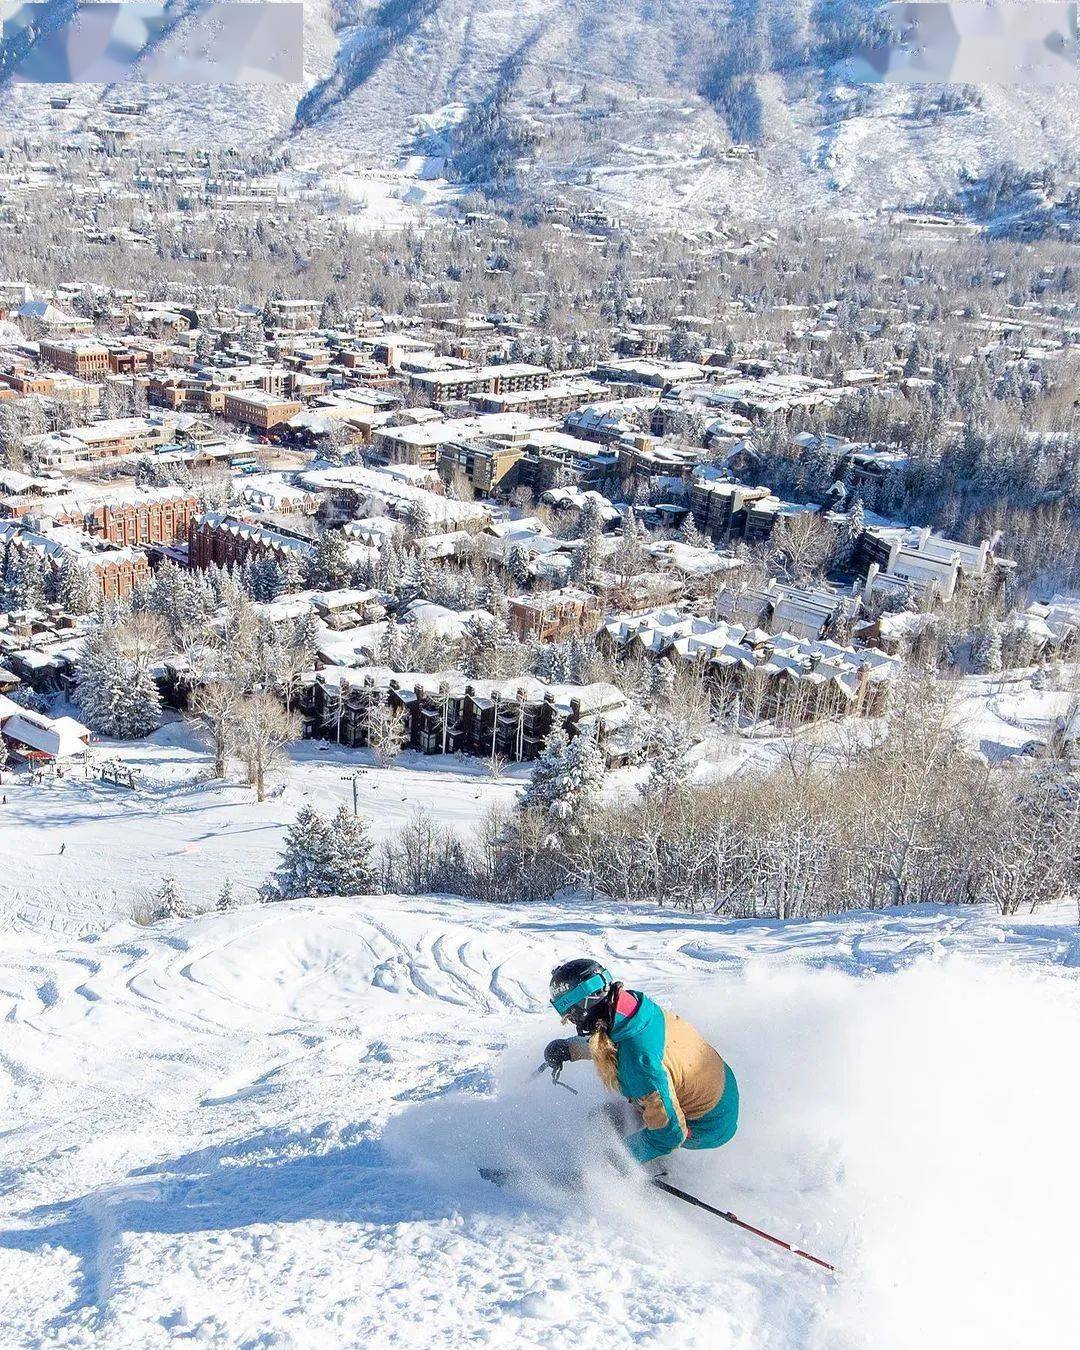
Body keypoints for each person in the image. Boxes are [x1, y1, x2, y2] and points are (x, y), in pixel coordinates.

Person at [544, 958, 738, 1166]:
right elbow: (616, 1041)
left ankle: (658, 1166)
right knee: (619, 1114)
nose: (572, 1023)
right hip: (723, 1088)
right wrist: (570, 1049)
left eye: (571, 1017)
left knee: (607, 1124)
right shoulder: (630, 1005)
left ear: (584, 1008)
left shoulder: (638, 1063)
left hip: (708, 1126)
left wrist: (619, 1159)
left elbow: (670, 1134)